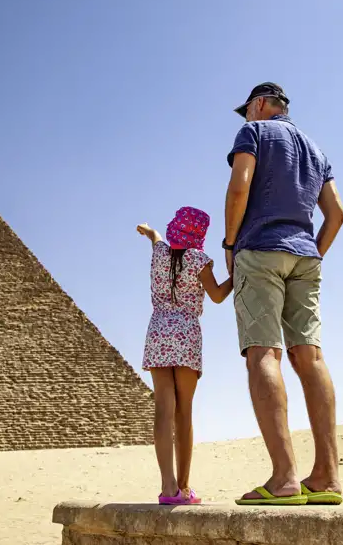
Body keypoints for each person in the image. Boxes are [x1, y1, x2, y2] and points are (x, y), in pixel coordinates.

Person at [223, 83, 343, 506]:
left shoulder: (254, 132)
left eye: (247, 110)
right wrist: (313, 253)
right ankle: (327, 476)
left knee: (264, 354)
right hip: (305, 255)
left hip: (260, 249)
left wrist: (230, 245)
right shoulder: (316, 150)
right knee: (310, 357)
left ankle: (284, 478)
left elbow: (239, 187)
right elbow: (337, 214)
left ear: (259, 105)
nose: (246, 117)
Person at [137, 206, 233, 505]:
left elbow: (156, 239)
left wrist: (149, 231)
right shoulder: (198, 259)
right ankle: (185, 486)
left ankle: (168, 487)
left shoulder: (160, 253)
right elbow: (217, 295)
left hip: (158, 332)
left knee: (163, 410)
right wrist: (236, 274)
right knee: (184, 412)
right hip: (186, 334)